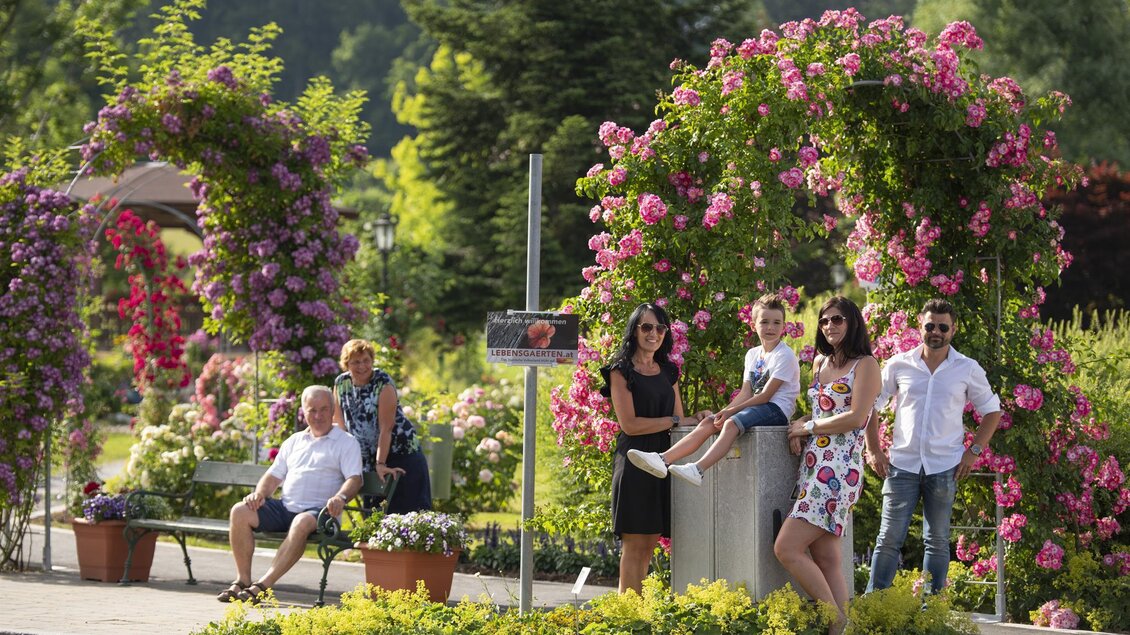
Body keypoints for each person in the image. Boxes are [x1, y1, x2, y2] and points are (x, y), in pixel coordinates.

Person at [865, 299, 1002, 594]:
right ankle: (873, 605)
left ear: (953, 329)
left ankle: (933, 610)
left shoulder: (967, 368)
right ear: (920, 324)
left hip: (945, 466)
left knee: (937, 540)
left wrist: (974, 451)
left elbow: (992, 410)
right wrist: (873, 449)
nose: (935, 332)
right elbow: (870, 406)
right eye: (930, 326)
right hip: (902, 464)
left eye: (942, 327)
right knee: (888, 538)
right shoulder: (899, 364)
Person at [774, 296, 880, 632]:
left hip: (837, 471)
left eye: (837, 319)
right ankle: (841, 631)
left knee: (787, 548)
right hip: (812, 466)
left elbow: (857, 416)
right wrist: (800, 425)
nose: (830, 326)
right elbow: (823, 412)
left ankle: (833, 616)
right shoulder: (820, 362)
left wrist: (807, 427)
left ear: (852, 322)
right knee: (827, 558)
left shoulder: (865, 365)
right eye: (824, 321)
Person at [626, 293, 801, 486]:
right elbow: (746, 393)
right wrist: (722, 413)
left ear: (784, 327)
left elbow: (766, 396)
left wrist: (730, 412)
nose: (770, 327)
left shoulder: (785, 355)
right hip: (757, 407)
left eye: (777, 323)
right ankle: (663, 459)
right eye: (765, 321)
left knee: (731, 423)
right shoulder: (752, 354)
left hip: (776, 410)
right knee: (711, 421)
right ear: (753, 325)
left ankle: (698, 469)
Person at [602, 302, 713, 594]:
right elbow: (630, 425)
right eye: (647, 327)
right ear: (634, 331)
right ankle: (627, 616)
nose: (654, 333)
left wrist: (696, 418)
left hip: (662, 461)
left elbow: (678, 419)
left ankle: (638, 615)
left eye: (660, 328)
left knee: (649, 544)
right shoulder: (620, 370)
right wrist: (673, 420)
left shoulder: (668, 370)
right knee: (634, 546)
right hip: (635, 462)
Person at [216, 385, 363, 603]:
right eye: (312, 410)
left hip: (321, 513)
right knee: (240, 511)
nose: (318, 415)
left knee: (302, 521)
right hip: (285, 509)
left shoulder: (346, 442)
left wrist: (340, 497)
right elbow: (273, 476)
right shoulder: (294, 441)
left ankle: (264, 584)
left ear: (333, 410)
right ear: (303, 412)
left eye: (324, 409)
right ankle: (243, 580)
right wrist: (259, 494)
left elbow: (355, 479)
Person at [332, 338, 431, 513]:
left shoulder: (382, 382)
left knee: (409, 517)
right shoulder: (341, 384)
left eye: (366, 361)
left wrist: (380, 463)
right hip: (369, 459)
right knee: (375, 519)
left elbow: (386, 428)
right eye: (356, 362)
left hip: (401, 455)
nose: (362, 366)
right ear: (346, 364)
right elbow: (341, 427)